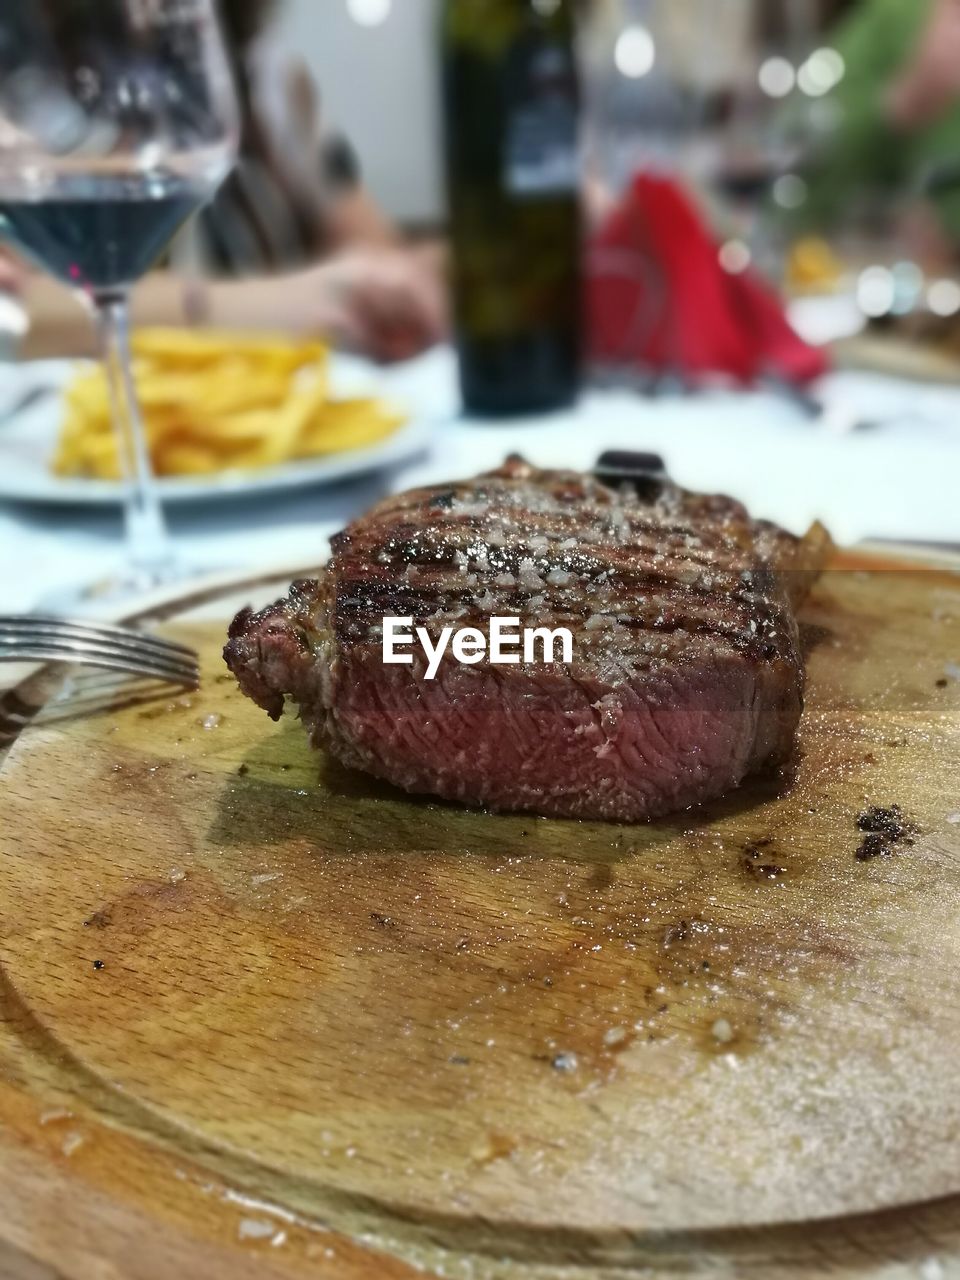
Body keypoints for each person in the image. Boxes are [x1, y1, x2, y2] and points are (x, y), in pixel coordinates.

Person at [6, 0, 446, 363]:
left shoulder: (263, 78)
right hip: (66, 439)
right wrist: (267, 306)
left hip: (278, 426)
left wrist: (394, 285)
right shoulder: (22, 89)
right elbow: (14, 313)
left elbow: (376, 251)